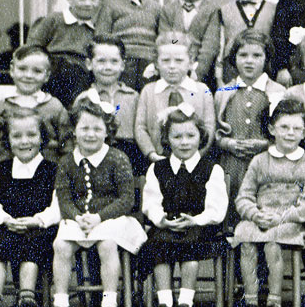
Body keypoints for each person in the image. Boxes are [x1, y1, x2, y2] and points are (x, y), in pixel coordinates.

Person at [42, 99, 147, 307]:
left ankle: (109, 303)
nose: (91, 134)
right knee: (61, 245)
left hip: (112, 219)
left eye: (97, 129)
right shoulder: (66, 162)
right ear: (74, 131)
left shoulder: (117, 158)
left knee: (107, 244)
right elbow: (64, 197)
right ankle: (60, 303)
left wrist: (99, 217)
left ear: (107, 131)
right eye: (85, 128)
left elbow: (126, 199)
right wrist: (76, 216)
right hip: (78, 219)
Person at [231, 98, 305, 307]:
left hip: (289, 221)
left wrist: (281, 217)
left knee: (272, 243)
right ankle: (251, 302)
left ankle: (274, 304)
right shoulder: (259, 161)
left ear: (304, 132)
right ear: (271, 129)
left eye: (296, 128)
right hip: (261, 217)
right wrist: (255, 214)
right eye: (284, 127)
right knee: (246, 238)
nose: (290, 133)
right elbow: (244, 197)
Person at [141, 104, 228, 307]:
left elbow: (216, 209)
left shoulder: (211, 169)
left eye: (191, 135)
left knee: (190, 246)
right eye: (177, 136)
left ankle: (185, 303)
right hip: (166, 223)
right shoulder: (157, 169)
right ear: (167, 139)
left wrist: (196, 220)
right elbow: (150, 202)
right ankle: (165, 302)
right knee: (159, 245)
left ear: (201, 137)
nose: (184, 142)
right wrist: (162, 220)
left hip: (200, 226)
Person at [0, 111, 60, 307]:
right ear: (8, 140)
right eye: (17, 136)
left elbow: (58, 206)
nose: (24, 141)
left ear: (42, 138)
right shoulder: (0, 171)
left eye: (31, 135)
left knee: (33, 243)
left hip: (38, 228)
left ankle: (27, 301)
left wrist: (37, 220)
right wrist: (5, 219)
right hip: (7, 225)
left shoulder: (52, 170)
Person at [214, 29, 284, 222]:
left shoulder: (277, 92)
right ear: (234, 58)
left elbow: (284, 132)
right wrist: (228, 143)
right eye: (243, 55)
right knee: (233, 214)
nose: (249, 61)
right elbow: (214, 132)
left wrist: (265, 144)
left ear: (266, 58)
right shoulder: (224, 92)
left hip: (266, 164)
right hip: (232, 164)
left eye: (256, 55)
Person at [26, 0, 104, 107]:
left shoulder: (98, 29)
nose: (87, 3)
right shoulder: (53, 20)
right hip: (52, 77)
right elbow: (32, 50)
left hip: (82, 81)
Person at [135, 31, 216, 166]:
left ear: (190, 62)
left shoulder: (202, 91)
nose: (172, 66)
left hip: (195, 164)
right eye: (166, 61)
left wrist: (196, 156)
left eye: (179, 60)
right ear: (156, 63)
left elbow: (209, 127)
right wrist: (151, 154)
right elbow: (140, 127)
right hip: (157, 162)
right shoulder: (149, 91)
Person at [0, 45, 66, 174]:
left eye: (37, 71)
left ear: (47, 75)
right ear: (12, 69)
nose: (28, 76)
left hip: (47, 174)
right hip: (8, 175)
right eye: (22, 69)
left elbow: (67, 144)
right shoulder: (1, 107)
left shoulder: (54, 107)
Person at [73, 35, 143, 175]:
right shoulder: (84, 98)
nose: (108, 67)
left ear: (122, 65)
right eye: (101, 61)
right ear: (89, 64)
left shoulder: (134, 97)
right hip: (93, 155)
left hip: (128, 156)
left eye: (114, 61)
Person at [94, 0, 159, 91]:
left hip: (150, 64)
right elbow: (101, 37)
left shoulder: (156, 8)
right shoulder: (110, 5)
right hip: (122, 64)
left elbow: (162, 39)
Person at [157, 0, 221, 90]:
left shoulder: (212, 11)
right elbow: (167, 41)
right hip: (171, 72)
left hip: (201, 77)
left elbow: (209, 48)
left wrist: (196, 74)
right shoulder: (168, 10)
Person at [218, 0, 275, 85]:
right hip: (231, 74)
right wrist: (219, 79)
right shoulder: (224, 10)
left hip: (265, 75)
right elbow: (220, 48)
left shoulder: (275, 10)